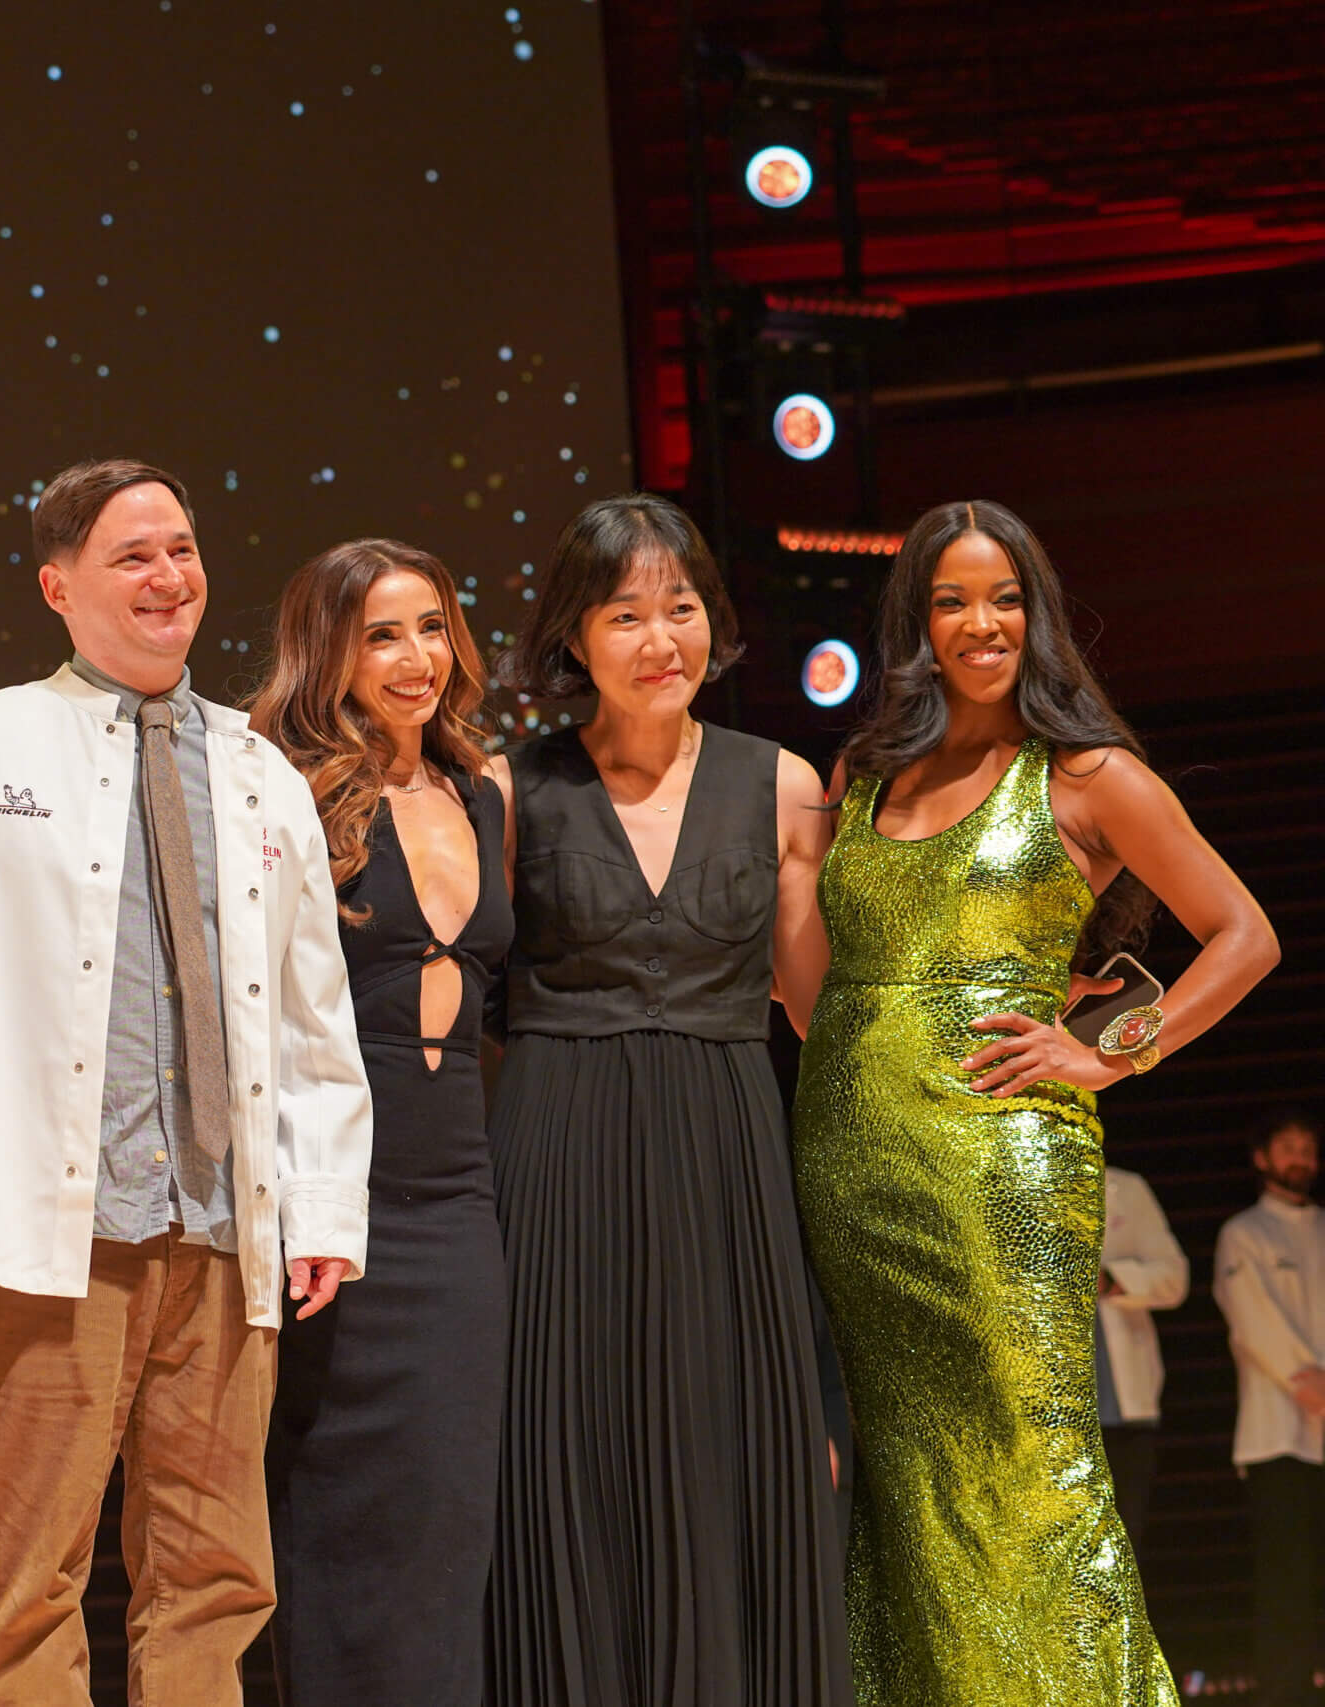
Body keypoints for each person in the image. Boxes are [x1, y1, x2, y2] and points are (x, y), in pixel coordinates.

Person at [790, 498, 1279, 1706]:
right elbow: (820, 997)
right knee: (904, 1491)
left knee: (1032, 1472)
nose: (980, 623)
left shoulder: (1087, 774)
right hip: (851, 1165)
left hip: (996, 1166)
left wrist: (1107, 1054)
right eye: (951, 600)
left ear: (1036, 613)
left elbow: (1244, 936)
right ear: (914, 622)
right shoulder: (863, 776)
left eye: (1003, 598)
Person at [0, 459, 374, 1704]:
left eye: (180, 548)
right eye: (133, 557)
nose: (169, 577)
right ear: (59, 586)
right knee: (32, 1575)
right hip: (49, 1237)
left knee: (217, 1576)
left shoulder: (260, 769)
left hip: (222, 1234)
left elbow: (313, 1021)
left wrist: (321, 1210)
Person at [487, 492, 849, 1707]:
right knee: (566, 1449)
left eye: (681, 607)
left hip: (724, 1134)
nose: (661, 639)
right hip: (556, 1139)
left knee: (725, 1440)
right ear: (575, 637)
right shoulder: (508, 788)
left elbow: (817, 1007)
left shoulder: (783, 785)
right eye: (626, 613)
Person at [247, 538, 511, 1705]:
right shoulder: (280, 788)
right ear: (330, 653)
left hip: (460, 1196)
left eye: (433, 627)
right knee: (337, 1515)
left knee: (447, 1517)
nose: (416, 658)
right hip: (334, 1203)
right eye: (381, 634)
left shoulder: (484, 791)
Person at [1214, 1109, 1325, 1707]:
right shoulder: (1244, 1233)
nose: (1300, 1157)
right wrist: (1305, 1379)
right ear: (1262, 1158)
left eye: (1307, 1147)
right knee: (1285, 1584)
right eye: (1288, 1146)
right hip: (1276, 1431)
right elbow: (1251, 1320)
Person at [1099, 1164, 1189, 1549]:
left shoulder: (1125, 1187)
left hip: (1122, 1407)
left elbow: (1173, 1278)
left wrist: (1113, 1278)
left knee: (1123, 1542)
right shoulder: (1004, 1175)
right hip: (1044, 1409)